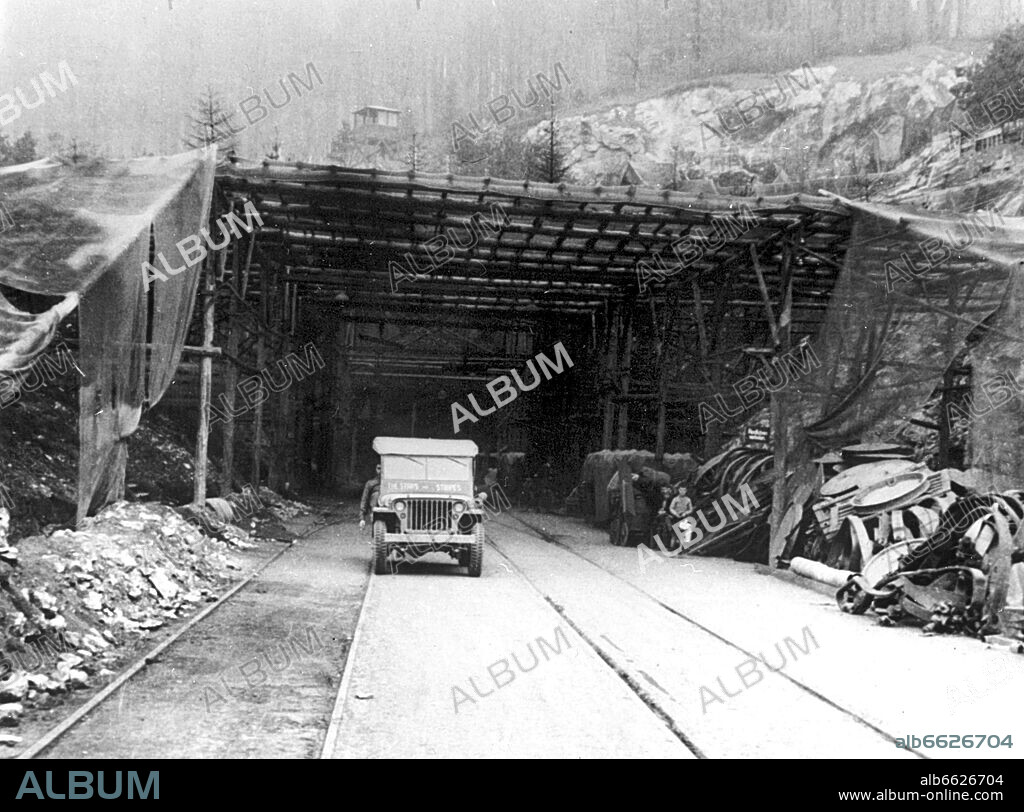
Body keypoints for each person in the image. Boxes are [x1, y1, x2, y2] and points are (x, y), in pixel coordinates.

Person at [668, 483, 696, 549]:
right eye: (681, 490)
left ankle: (684, 545)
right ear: (678, 490)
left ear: (686, 491)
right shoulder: (675, 499)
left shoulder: (688, 500)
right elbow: (671, 508)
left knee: (688, 529)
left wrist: (685, 513)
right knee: (674, 533)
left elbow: (690, 509)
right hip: (676, 518)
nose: (682, 492)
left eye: (684, 490)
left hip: (684, 518)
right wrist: (675, 513)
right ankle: (672, 546)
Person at [358, 463, 381, 531]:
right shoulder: (371, 483)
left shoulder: (393, 484)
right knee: (376, 494)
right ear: (375, 469)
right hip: (375, 508)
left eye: (383, 468)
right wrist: (362, 518)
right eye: (379, 468)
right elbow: (364, 499)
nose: (381, 471)